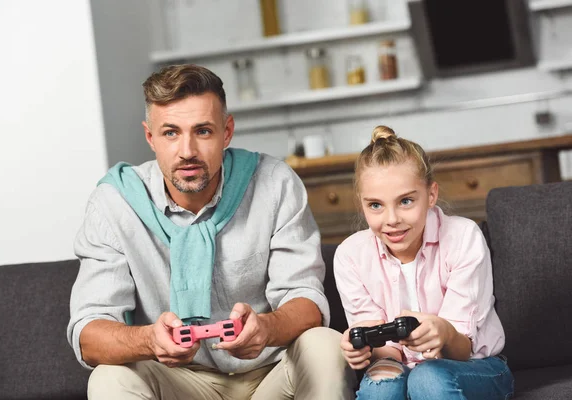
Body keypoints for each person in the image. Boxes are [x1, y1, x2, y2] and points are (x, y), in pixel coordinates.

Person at [67, 64, 356, 400]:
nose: (187, 151)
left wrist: (267, 327)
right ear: (150, 137)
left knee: (326, 345)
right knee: (109, 378)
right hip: (179, 382)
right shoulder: (114, 202)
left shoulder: (274, 183)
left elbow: (305, 299)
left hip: (272, 376)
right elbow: (89, 333)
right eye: (171, 133)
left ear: (227, 131)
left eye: (202, 131)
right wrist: (149, 340)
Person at [334, 126, 514, 400]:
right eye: (375, 205)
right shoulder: (350, 256)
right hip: (400, 366)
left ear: (431, 195)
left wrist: (442, 332)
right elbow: (389, 352)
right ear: (361, 204)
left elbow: (462, 348)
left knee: (427, 378)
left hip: (474, 365)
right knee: (381, 386)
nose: (391, 219)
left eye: (405, 201)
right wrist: (365, 347)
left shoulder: (463, 237)